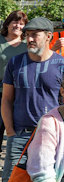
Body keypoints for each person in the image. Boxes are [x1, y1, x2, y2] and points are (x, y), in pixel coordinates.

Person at [1, 17, 64, 182]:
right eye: (27, 35)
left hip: (50, 136)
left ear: (49, 36)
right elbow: (6, 99)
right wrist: (10, 132)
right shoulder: (15, 62)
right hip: (20, 136)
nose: (30, 39)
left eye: (35, 34)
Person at [0, 10, 28, 141]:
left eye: (21, 24)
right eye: (15, 22)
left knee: (18, 129)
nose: (18, 26)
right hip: (1, 89)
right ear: (7, 24)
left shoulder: (27, 44)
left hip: (20, 91)